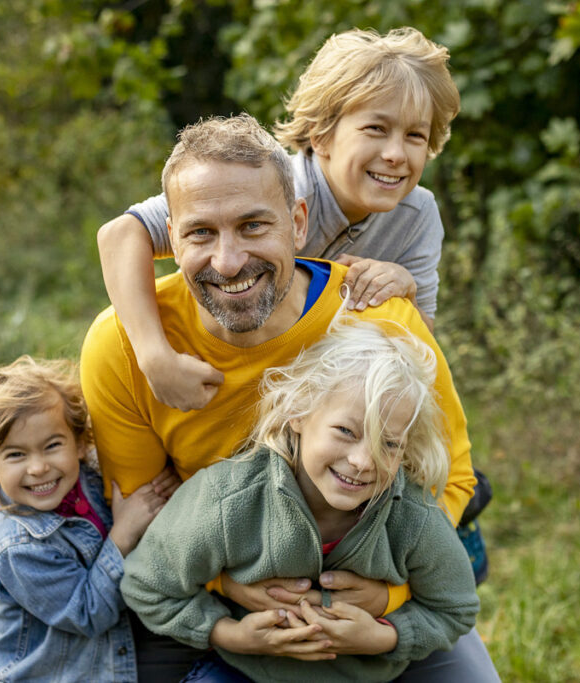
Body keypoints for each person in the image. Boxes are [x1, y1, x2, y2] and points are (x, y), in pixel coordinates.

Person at [80, 114, 499, 681]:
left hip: (370, 595)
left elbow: (451, 480)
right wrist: (227, 588)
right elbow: (145, 509)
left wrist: (390, 597)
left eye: (254, 226)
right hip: (217, 592)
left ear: (298, 223)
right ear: (169, 240)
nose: (228, 261)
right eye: (201, 233)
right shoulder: (123, 345)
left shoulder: (380, 322)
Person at [97, 26, 460, 412]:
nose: (395, 154)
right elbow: (121, 234)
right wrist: (155, 357)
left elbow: (421, 351)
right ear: (321, 137)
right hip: (222, 383)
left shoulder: (418, 214)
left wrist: (406, 289)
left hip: (316, 405)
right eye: (376, 128)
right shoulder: (266, 188)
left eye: (415, 136)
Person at [121, 320, 481, 682]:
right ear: (298, 412)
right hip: (247, 670)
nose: (362, 461)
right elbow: (148, 584)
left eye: (388, 444)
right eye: (346, 431)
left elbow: (454, 609)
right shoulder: (227, 500)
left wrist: (383, 638)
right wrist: (232, 635)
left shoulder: (410, 516)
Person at [0, 356, 177, 682]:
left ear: (79, 444)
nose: (38, 467)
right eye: (16, 455)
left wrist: (161, 482)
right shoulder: (15, 545)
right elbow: (86, 613)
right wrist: (123, 534)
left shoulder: (88, 477)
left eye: (52, 445)